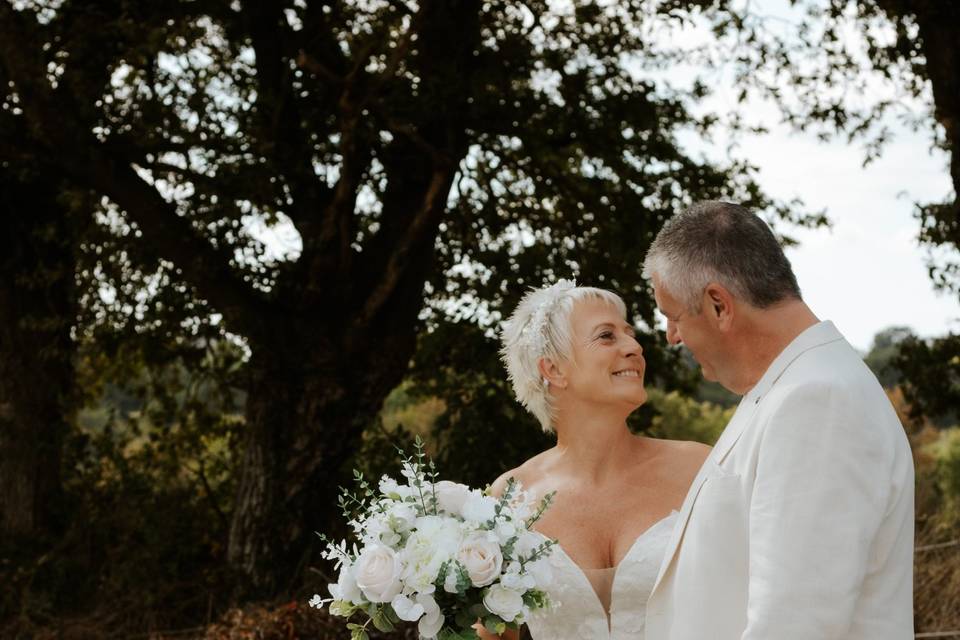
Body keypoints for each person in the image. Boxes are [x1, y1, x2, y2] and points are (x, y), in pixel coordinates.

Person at [642, 201, 915, 640]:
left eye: (673, 316)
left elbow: (794, 624)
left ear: (718, 305)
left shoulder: (818, 401)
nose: (671, 336)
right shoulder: (785, 388)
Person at [477, 280, 710, 640]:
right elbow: (496, 634)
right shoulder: (511, 497)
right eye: (606, 336)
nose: (634, 347)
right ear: (554, 369)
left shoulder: (698, 469)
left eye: (630, 334)